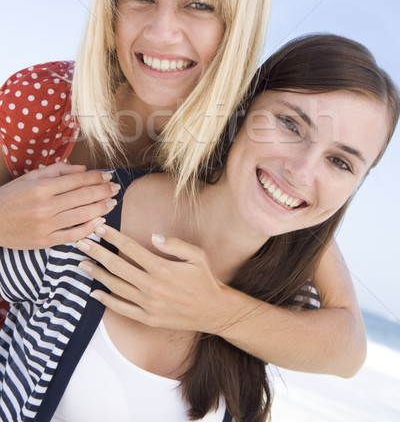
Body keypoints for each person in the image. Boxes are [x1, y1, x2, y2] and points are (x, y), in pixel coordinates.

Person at [0, 0, 363, 377]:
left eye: (200, 5)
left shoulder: (252, 149)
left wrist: (215, 310)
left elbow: (346, 348)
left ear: (238, 23)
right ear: (112, 5)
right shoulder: (39, 99)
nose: (162, 32)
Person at [0, 34, 398, 422]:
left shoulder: (286, 300)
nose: (302, 170)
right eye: (290, 124)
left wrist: (213, 310)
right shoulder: (92, 213)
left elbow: (349, 351)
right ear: (242, 110)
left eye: (341, 163)